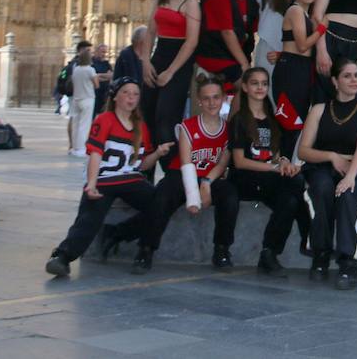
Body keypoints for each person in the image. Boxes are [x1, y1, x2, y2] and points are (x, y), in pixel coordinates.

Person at [45, 77, 173, 277]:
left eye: (135, 94)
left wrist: (157, 153)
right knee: (89, 218)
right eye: (126, 93)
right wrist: (92, 184)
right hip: (105, 179)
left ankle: (121, 234)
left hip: (131, 179)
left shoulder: (141, 127)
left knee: (160, 205)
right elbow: (95, 154)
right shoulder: (104, 120)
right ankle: (62, 256)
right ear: (115, 97)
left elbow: (142, 164)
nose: (131, 98)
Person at [106, 76, 237, 273]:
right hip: (182, 174)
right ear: (199, 101)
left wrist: (207, 183)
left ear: (223, 99)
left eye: (216, 97)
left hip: (209, 176)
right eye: (207, 98)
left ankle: (222, 249)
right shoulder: (188, 126)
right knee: (162, 198)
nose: (212, 103)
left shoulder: (229, 130)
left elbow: (222, 163)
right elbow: (186, 163)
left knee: (230, 197)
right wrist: (194, 197)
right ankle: (146, 250)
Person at [300, 59, 357, 290]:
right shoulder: (319, 110)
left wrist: (349, 177)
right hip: (322, 167)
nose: (354, 80)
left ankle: (347, 261)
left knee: (348, 196)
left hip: (353, 168)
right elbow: (303, 150)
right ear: (335, 81)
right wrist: (332, 157)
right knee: (322, 189)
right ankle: (321, 253)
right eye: (347, 76)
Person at [227, 67, 306, 276]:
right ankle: (309, 236)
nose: (260, 87)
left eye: (264, 83)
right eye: (255, 83)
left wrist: (284, 162)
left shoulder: (272, 118)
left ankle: (269, 253)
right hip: (244, 179)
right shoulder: (239, 120)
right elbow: (239, 161)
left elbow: (274, 153)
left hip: (267, 177)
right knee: (294, 188)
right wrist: (274, 167)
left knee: (291, 196)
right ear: (245, 87)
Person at [142, 0, 201, 149]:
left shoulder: (191, 4)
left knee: (165, 118)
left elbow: (191, 42)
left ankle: (172, 171)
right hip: (158, 57)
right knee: (147, 115)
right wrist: (145, 61)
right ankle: (147, 172)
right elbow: (150, 32)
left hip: (179, 65)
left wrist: (170, 72)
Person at [270, 0, 325, 137]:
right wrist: (322, 29)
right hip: (293, 68)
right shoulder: (295, 10)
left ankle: (288, 158)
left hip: (299, 66)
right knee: (291, 119)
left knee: (298, 117)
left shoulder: (305, 14)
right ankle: (284, 159)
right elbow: (302, 46)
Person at [195, 0, 261, 87]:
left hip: (231, 56)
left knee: (250, 87)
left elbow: (250, 34)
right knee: (248, 86)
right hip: (214, 55)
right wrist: (245, 64)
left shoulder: (251, 2)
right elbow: (227, 33)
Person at [67, 42, 99, 156]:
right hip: (87, 99)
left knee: (75, 123)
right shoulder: (90, 70)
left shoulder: (76, 69)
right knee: (84, 125)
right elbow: (97, 85)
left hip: (76, 99)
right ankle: (81, 149)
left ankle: (74, 147)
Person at [90, 44, 114, 117]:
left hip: (104, 92)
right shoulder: (91, 62)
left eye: (105, 52)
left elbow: (110, 76)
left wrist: (99, 75)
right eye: (102, 52)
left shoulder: (106, 63)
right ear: (96, 51)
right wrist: (104, 76)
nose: (104, 54)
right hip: (94, 92)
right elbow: (92, 77)